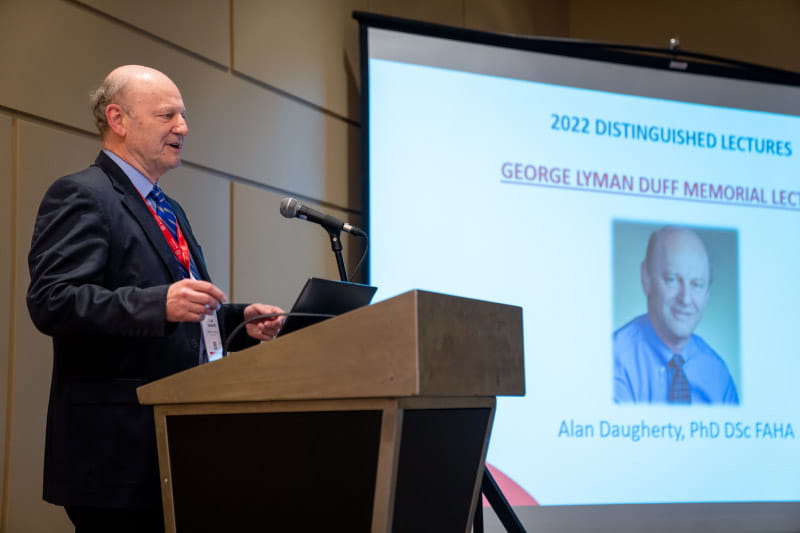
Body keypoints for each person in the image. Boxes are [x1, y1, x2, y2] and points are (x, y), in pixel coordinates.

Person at [26, 65, 286, 532]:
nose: (182, 127)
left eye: (183, 116)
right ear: (118, 119)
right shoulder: (82, 194)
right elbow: (53, 300)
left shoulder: (167, 207)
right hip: (116, 455)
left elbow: (175, 304)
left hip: (176, 444)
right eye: (167, 115)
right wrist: (158, 305)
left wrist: (236, 322)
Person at [613, 226, 739, 405]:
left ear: (707, 295)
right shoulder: (614, 361)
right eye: (672, 279)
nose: (685, 299)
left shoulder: (717, 373)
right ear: (646, 278)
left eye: (697, 284)